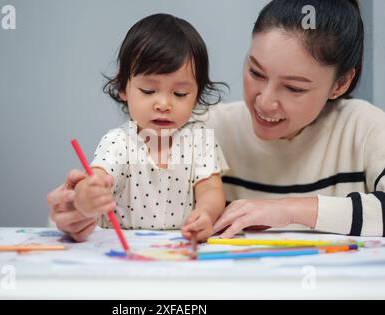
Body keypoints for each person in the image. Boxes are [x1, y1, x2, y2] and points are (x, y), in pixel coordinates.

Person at [49, 0, 385, 241]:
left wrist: (291, 210)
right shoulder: (197, 127)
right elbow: (87, 206)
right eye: (255, 72)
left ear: (340, 83)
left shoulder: (365, 128)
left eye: (294, 87)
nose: (264, 101)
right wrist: (73, 214)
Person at [47, 13, 228, 242]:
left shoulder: (201, 139)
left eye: (180, 94)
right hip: (123, 250)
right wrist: (85, 197)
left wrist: (206, 214)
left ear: (196, 95)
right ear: (123, 87)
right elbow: (97, 179)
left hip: (179, 248)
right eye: (149, 91)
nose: (163, 104)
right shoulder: (119, 142)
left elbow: (211, 190)